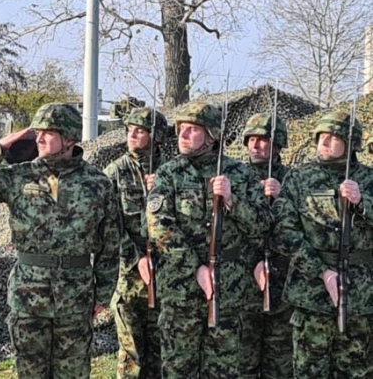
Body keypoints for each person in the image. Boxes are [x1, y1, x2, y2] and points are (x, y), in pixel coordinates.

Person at [0, 103, 123, 378]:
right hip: (28, 294)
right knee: (30, 371)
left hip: (76, 295)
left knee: (73, 372)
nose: (40, 138)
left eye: (48, 132)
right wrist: (0, 146)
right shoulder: (20, 176)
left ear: (69, 138)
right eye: (38, 132)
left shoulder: (98, 183)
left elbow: (110, 243)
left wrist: (103, 294)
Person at [144, 101, 271, 379]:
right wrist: (195, 267)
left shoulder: (240, 173)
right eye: (181, 128)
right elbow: (158, 226)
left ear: (212, 136)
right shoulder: (169, 173)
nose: (183, 134)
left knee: (223, 370)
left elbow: (263, 226)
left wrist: (232, 201)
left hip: (228, 291)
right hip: (181, 289)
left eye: (192, 129)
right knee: (178, 368)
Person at [276, 112, 373, 379]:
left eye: (333, 137)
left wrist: (363, 202)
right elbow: (284, 233)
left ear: (351, 143)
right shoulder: (298, 179)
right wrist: (321, 271)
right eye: (321, 137)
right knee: (309, 370)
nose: (325, 142)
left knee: (357, 371)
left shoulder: (369, 179)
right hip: (311, 293)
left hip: (361, 295)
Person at [104, 107, 169, 379]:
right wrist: (136, 257)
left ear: (156, 136)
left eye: (140, 131)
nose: (132, 135)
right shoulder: (115, 172)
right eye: (130, 129)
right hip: (128, 278)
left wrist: (162, 188)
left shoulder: (171, 172)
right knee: (132, 354)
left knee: (160, 354)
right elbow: (109, 223)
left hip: (164, 275)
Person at [239, 113, 292, 379]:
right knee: (242, 361)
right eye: (251, 139)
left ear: (277, 143)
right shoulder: (234, 175)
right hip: (242, 281)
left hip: (282, 280)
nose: (256, 145)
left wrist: (282, 197)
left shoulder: (294, 179)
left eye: (263, 139)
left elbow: (304, 227)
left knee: (279, 364)